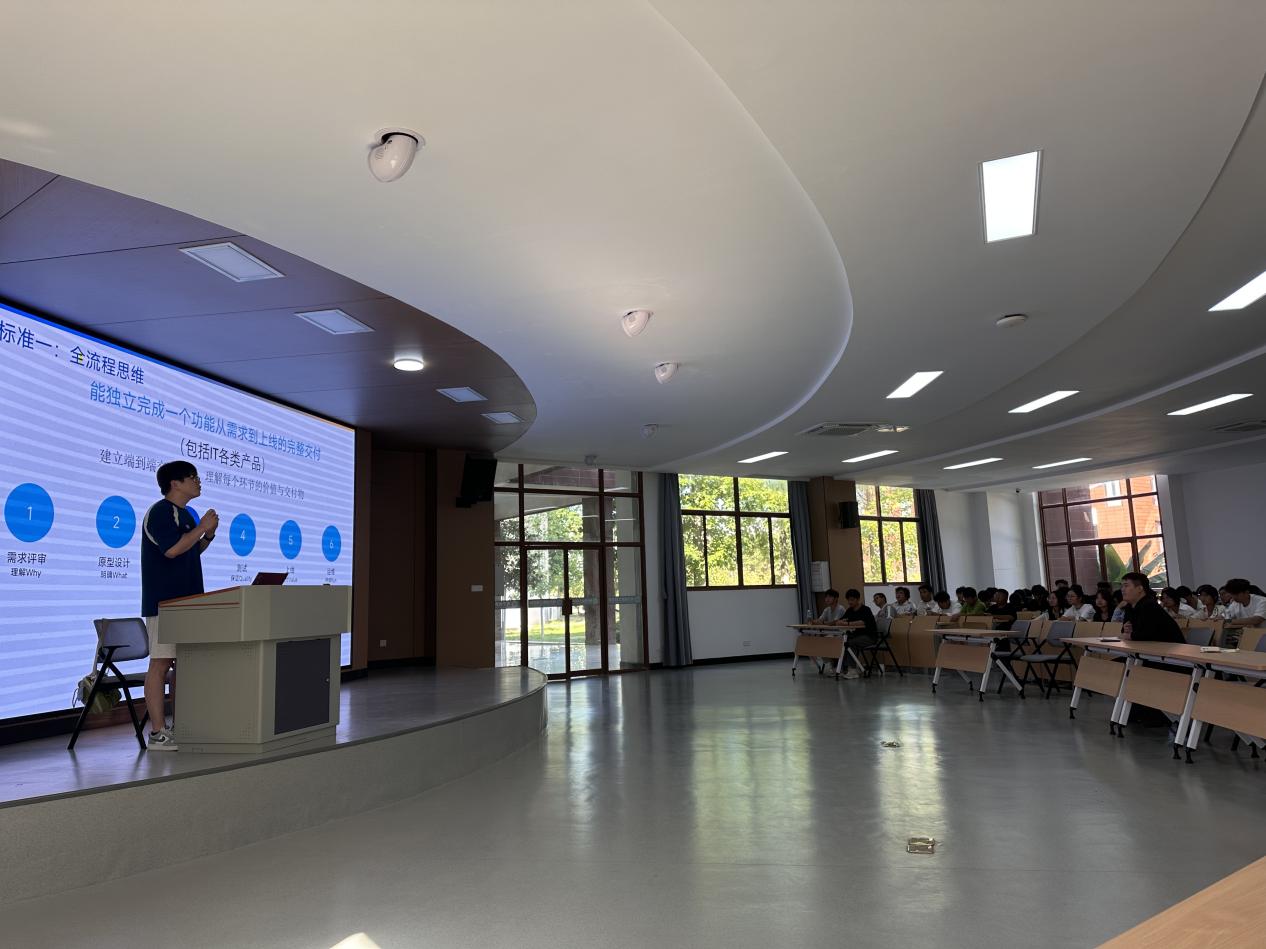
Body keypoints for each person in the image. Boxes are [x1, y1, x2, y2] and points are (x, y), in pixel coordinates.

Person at [140, 461, 218, 751]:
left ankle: (179, 725)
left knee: (183, 666)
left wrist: (207, 535)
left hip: (187, 602)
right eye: (192, 477)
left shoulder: (184, 514)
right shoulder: (161, 511)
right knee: (160, 664)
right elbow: (172, 550)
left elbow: (190, 550)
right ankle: (157, 732)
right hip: (165, 602)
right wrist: (202, 527)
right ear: (175, 483)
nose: (198, 482)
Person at [1119, 572, 1183, 643]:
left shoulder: (1149, 605)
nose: (1122, 589)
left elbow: (1148, 634)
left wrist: (1130, 635)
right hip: (1149, 647)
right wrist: (1125, 629)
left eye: (1126, 586)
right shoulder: (1130, 607)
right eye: (1122, 586)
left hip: (1171, 647)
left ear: (1140, 588)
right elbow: (1125, 631)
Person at [838, 589, 877, 679]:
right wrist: (840, 621)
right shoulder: (849, 610)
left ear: (858, 599)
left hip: (869, 637)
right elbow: (841, 620)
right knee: (842, 642)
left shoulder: (866, 610)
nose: (850, 602)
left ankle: (853, 670)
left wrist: (847, 623)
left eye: (852, 600)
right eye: (848, 600)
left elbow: (863, 622)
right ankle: (843, 668)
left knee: (849, 644)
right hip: (856, 636)